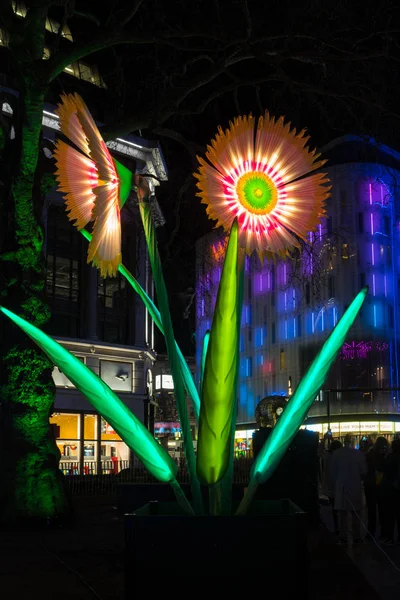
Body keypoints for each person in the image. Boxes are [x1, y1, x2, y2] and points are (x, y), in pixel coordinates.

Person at [331, 434, 367, 544]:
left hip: (341, 486)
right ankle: (356, 537)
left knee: (342, 514)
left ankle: (343, 536)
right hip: (355, 486)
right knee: (356, 513)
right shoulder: (359, 454)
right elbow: (364, 471)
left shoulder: (337, 454)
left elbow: (333, 472)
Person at [364, 436, 388, 538]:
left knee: (371, 510)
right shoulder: (385, 456)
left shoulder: (369, 455)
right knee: (383, 510)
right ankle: (383, 532)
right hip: (382, 485)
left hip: (370, 485)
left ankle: (371, 531)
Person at [321, 440, 342, 537]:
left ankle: (337, 527)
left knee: (335, 507)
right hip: (336, 485)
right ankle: (339, 527)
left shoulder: (327, 457)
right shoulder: (336, 458)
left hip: (330, 486)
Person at [381, 438, 400, 544]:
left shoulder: (390, 457)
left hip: (390, 489)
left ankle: (390, 537)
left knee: (390, 516)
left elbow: (383, 468)